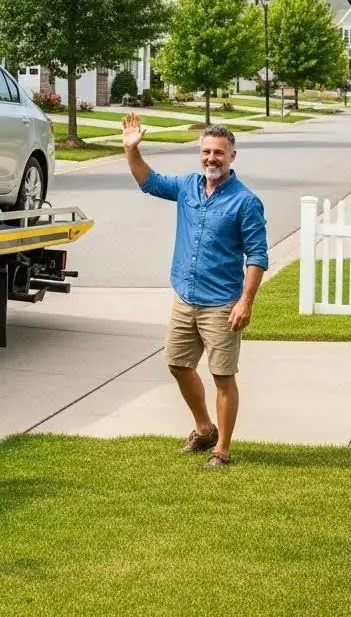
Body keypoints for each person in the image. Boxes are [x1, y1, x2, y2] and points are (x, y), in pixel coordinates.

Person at [121, 113, 269, 468]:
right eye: (206, 152)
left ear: (232, 156)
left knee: (222, 377)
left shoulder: (246, 202)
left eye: (219, 152)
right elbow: (150, 182)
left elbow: (258, 256)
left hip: (222, 303)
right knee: (177, 364)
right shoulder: (188, 186)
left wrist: (245, 302)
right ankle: (205, 429)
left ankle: (223, 451)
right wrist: (131, 151)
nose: (211, 159)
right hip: (185, 297)